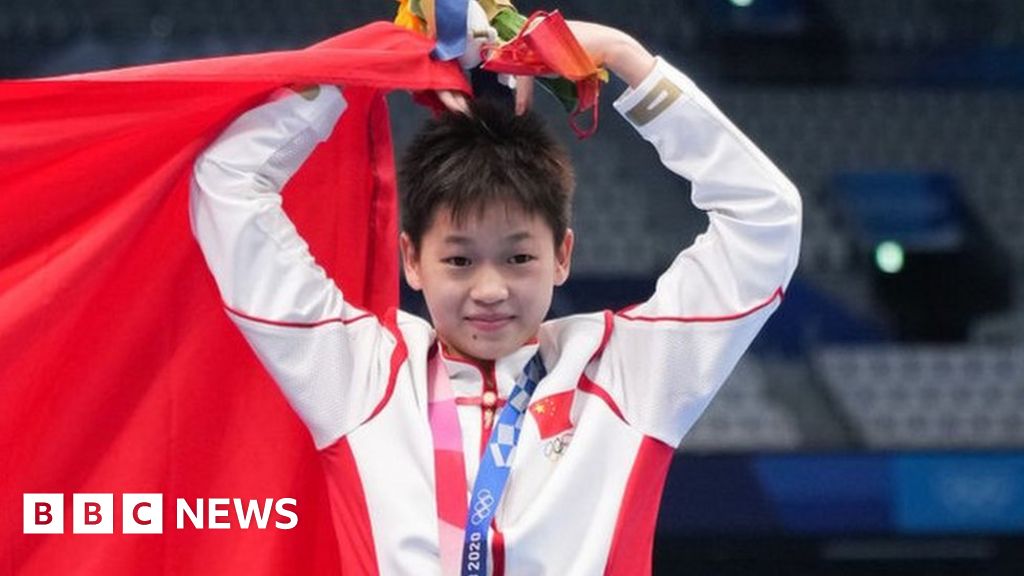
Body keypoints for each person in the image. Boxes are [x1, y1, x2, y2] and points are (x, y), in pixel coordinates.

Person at [189, 18, 801, 576]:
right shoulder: (361, 375)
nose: (489, 290)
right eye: (459, 260)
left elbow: (766, 219)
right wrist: (360, 66)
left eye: (518, 258)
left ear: (562, 255)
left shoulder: (628, 373)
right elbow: (227, 185)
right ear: (412, 260)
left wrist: (624, 57)